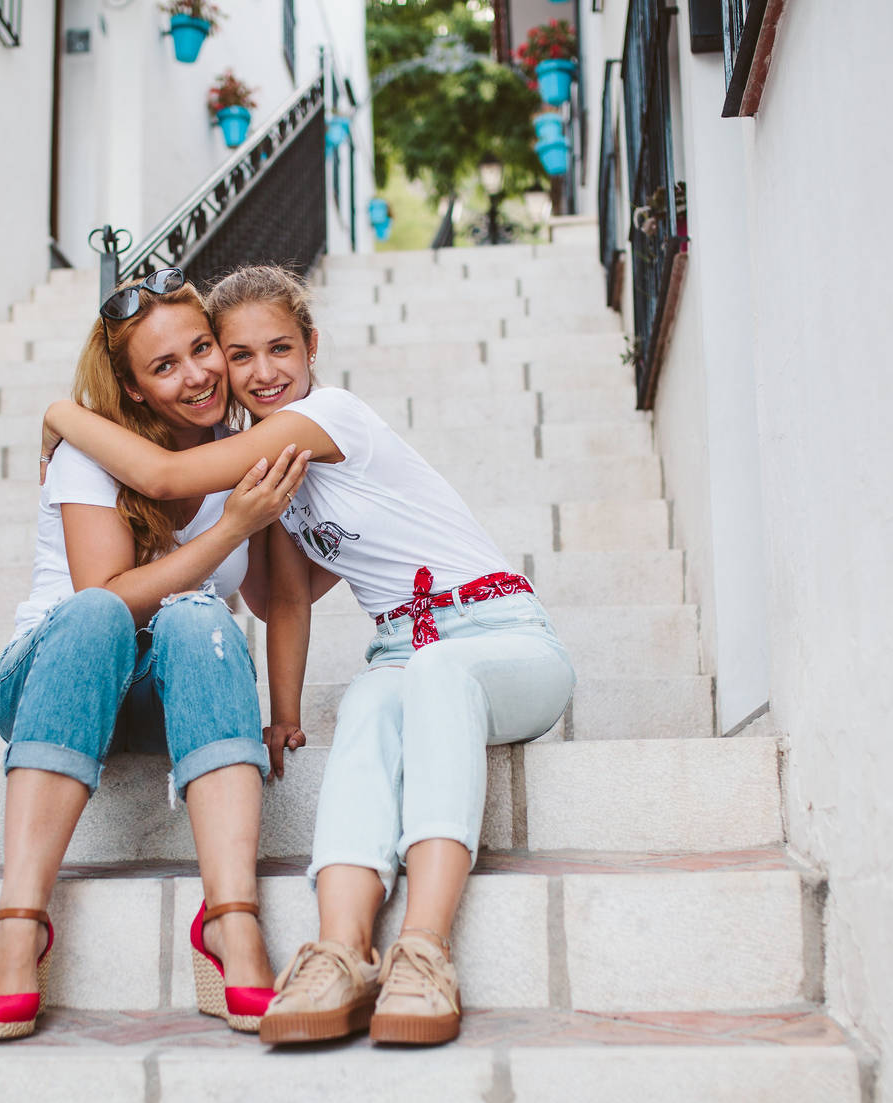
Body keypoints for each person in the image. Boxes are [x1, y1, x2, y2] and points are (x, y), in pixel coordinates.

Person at [42, 264, 576, 1047]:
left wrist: (63, 411)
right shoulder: (269, 467)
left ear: (311, 346)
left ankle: (424, 948)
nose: (262, 373)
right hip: (403, 650)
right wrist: (285, 715)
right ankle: (342, 951)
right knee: (365, 704)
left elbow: (161, 473)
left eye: (279, 349)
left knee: (432, 672)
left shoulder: (328, 416)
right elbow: (281, 600)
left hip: (503, 638)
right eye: (241, 355)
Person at [0, 268, 310, 1039]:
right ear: (130, 390)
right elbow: (110, 598)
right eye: (165, 366)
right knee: (98, 612)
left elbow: (276, 598)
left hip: (174, 698)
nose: (197, 375)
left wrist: (284, 713)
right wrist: (229, 530)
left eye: (202, 349)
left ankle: (231, 918)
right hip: (50, 681)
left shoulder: (244, 455)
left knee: (199, 620)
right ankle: (19, 925)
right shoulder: (90, 453)